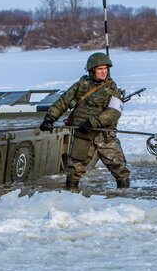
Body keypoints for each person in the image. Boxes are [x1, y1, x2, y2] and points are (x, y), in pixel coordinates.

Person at [39, 52, 131, 188]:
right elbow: (63, 102)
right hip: (83, 134)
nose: (103, 72)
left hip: (104, 134)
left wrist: (93, 122)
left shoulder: (113, 89)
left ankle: (124, 195)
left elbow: (114, 112)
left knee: (119, 167)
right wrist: (49, 119)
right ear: (92, 70)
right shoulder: (82, 85)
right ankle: (71, 196)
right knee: (74, 169)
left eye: (105, 68)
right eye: (100, 69)